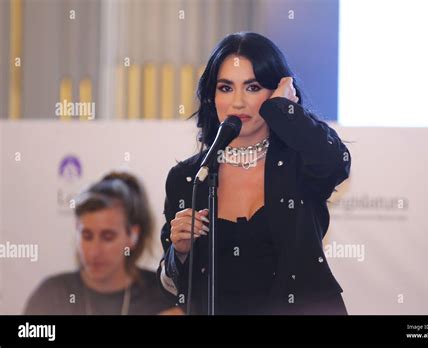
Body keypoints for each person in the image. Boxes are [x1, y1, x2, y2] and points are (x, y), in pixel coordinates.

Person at [158, 32, 351, 315]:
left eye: (252, 87)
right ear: (212, 97)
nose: (238, 102)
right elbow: (171, 287)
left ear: (275, 92)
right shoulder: (189, 177)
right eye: (225, 88)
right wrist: (180, 252)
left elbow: (336, 162)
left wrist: (285, 110)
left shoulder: (299, 163)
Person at [24, 172, 175, 315]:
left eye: (107, 237)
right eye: (87, 236)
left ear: (133, 235)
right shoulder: (51, 296)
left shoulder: (164, 297)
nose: (94, 251)